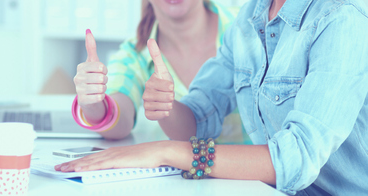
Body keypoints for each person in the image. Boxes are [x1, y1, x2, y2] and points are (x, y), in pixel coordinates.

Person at [57, 0, 368, 195]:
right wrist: (165, 107)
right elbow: (198, 118)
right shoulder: (250, 18)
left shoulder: (343, 16)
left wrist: (167, 152)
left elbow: (296, 158)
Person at [73, 0, 251, 144]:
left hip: (261, 185)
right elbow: (119, 118)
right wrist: (93, 104)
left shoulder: (251, 24)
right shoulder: (135, 54)